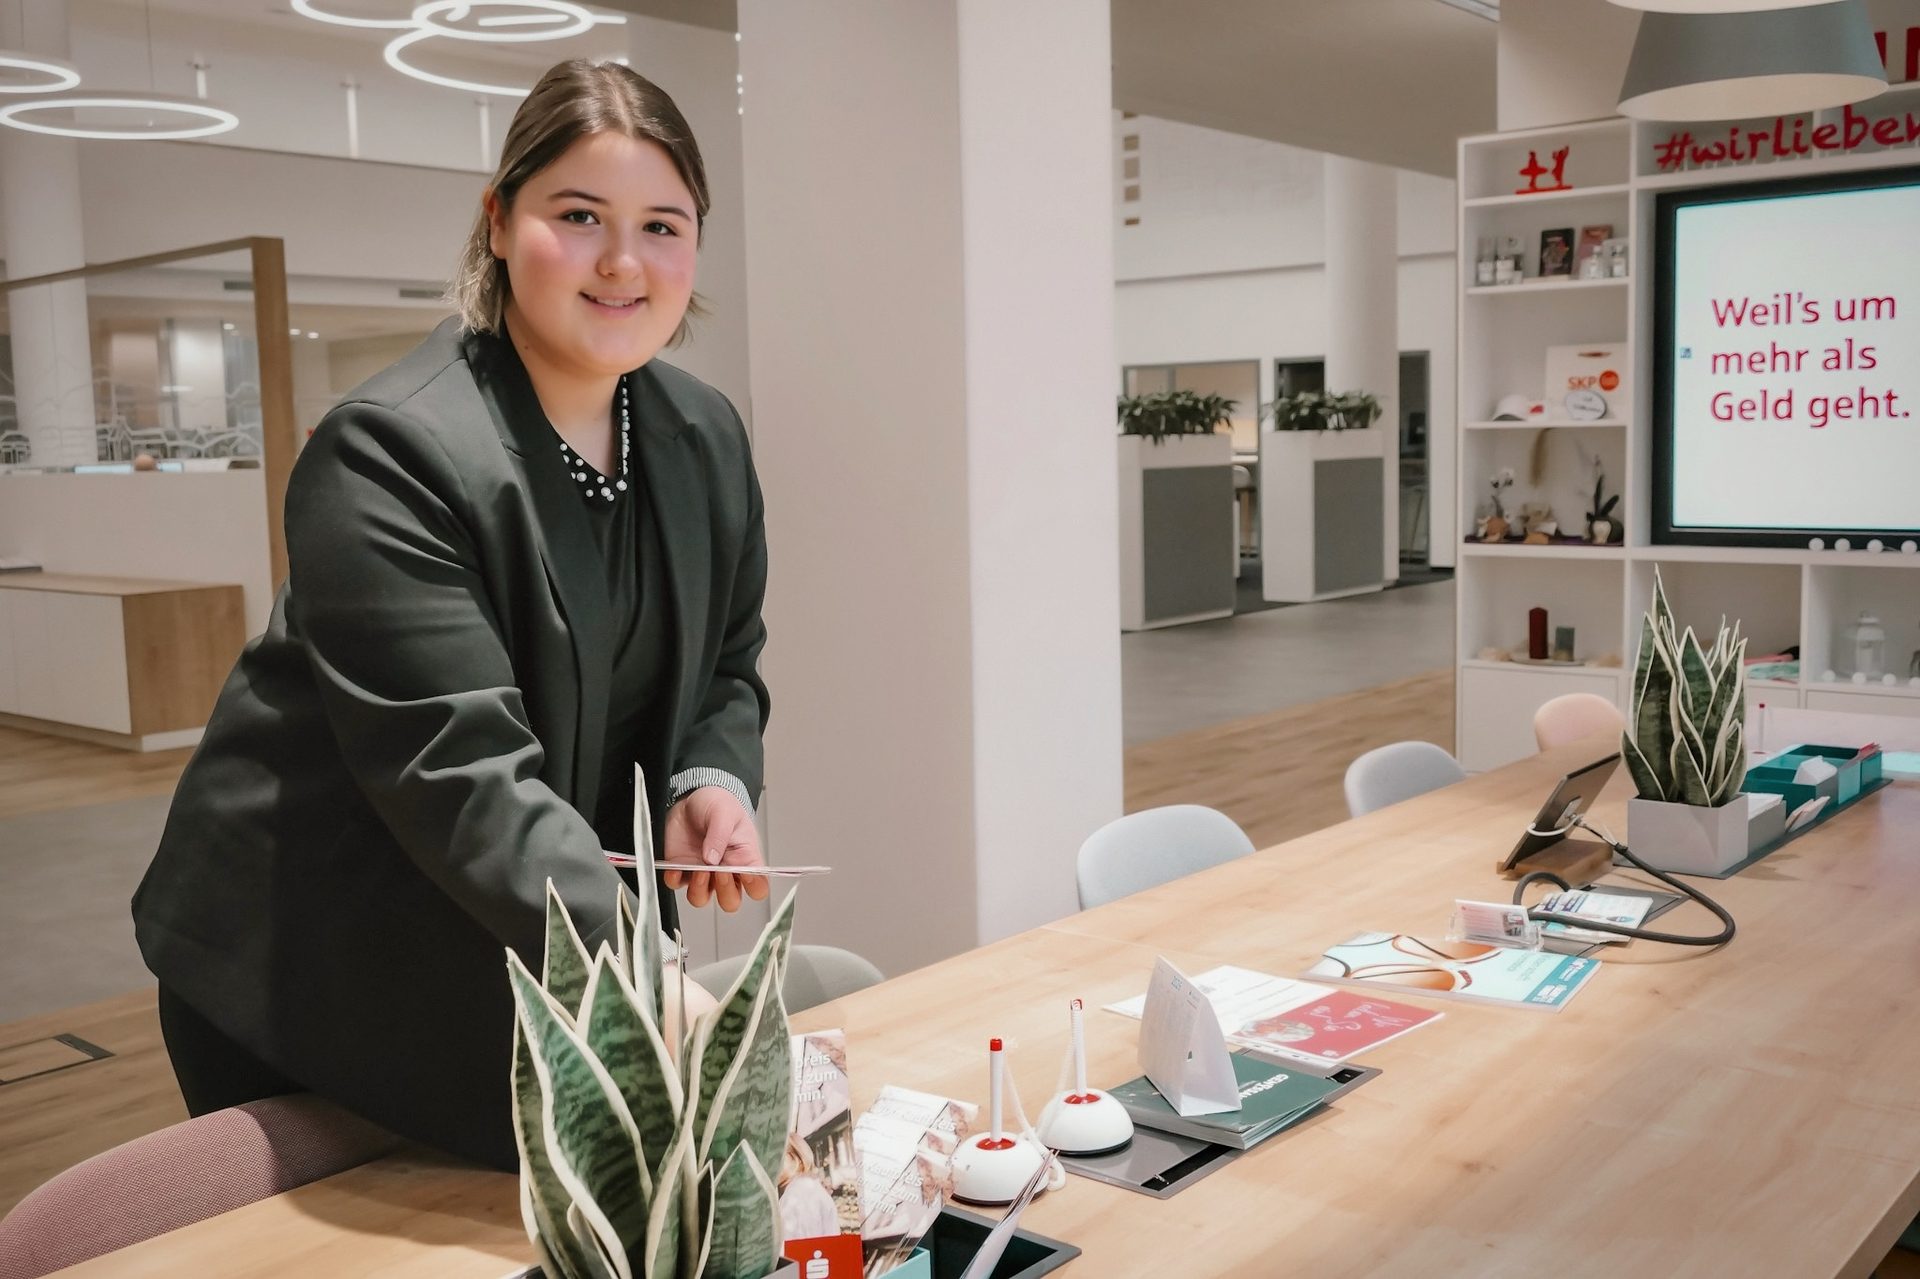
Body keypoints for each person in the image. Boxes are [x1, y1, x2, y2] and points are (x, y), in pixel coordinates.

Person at [132, 59, 770, 1171]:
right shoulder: (391, 452)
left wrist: (704, 779)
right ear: (499, 221)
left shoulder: (701, 435)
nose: (623, 261)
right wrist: (651, 976)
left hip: (519, 933)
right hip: (320, 949)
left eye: (662, 225)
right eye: (579, 216)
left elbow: (727, 657)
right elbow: (461, 775)